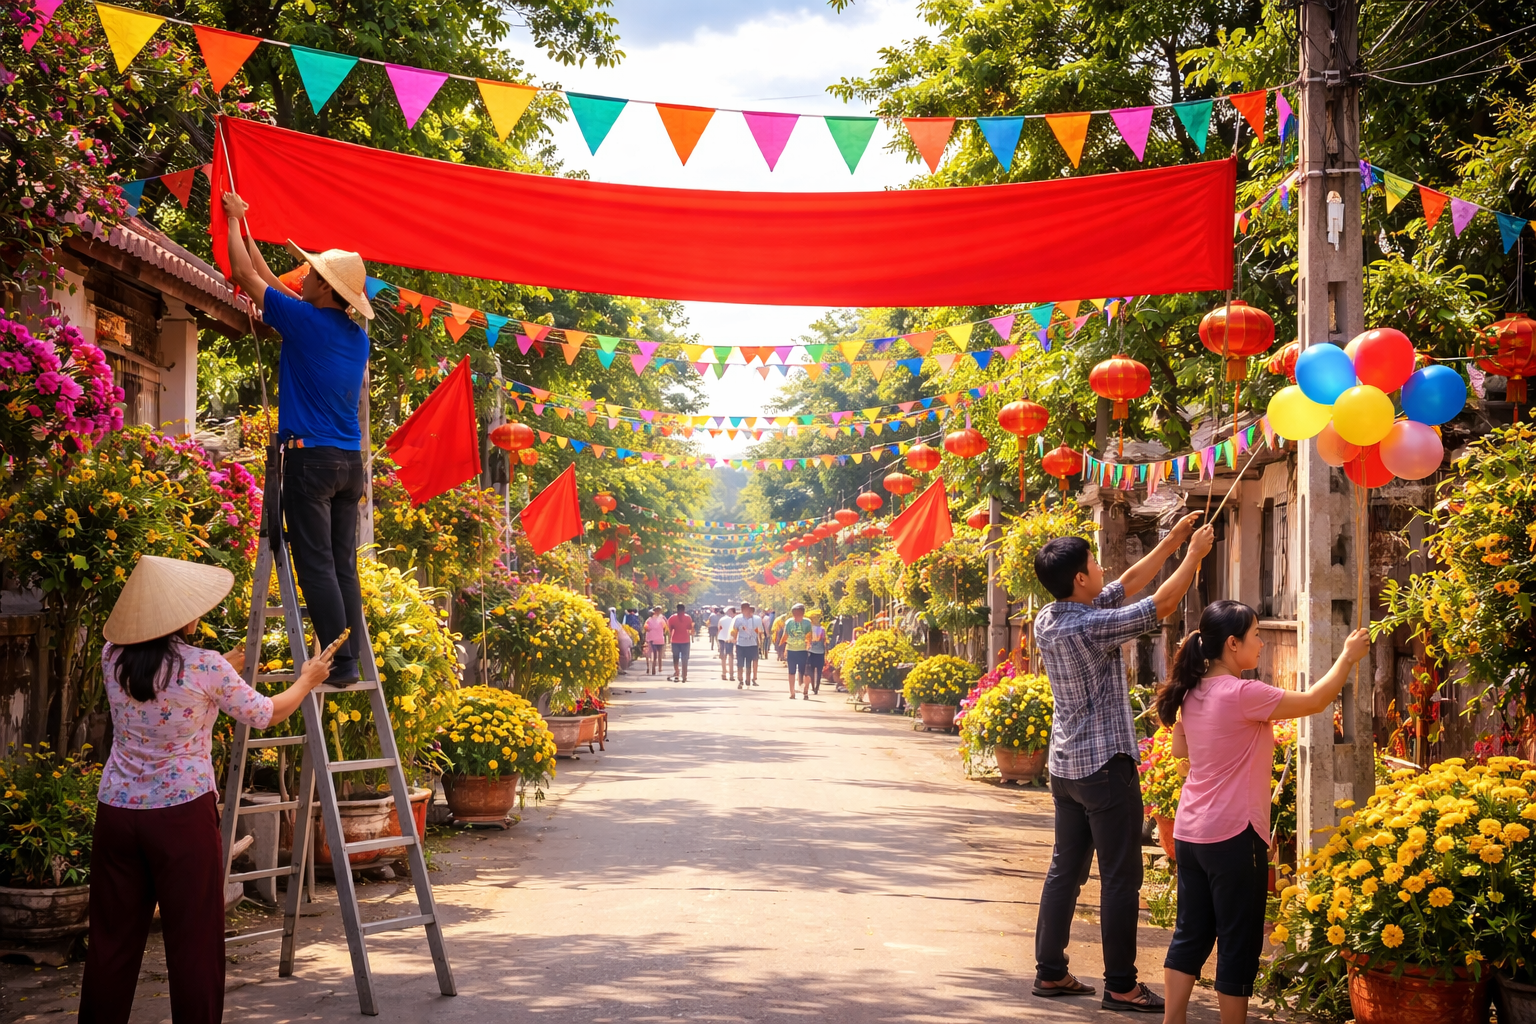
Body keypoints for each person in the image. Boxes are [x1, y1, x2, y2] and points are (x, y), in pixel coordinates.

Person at [80, 555, 334, 1024]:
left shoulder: (111, 656)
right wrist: (306, 681)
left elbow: (160, 680)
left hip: (117, 811)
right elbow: (266, 712)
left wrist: (225, 670)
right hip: (181, 815)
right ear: (179, 616)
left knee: (112, 941)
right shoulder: (205, 666)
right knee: (194, 940)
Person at [1029, 513, 1214, 1013]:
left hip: (1067, 766)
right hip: (1105, 769)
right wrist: (1194, 555)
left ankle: (1050, 972)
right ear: (1078, 579)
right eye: (1093, 561)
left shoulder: (1053, 617)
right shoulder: (1089, 626)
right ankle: (1122, 985)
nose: (1100, 567)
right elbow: (1162, 604)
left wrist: (1173, 542)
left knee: (1064, 869)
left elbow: (1127, 584)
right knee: (1120, 876)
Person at [1159, 603, 1369, 1024]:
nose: (1262, 641)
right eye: (1255, 634)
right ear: (1232, 644)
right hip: (1233, 836)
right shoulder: (1243, 693)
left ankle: (1172, 1021)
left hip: (1190, 833)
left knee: (1191, 934)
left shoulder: (1192, 690)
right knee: (1238, 943)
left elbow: (1182, 753)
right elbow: (1315, 700)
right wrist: (1347, 656)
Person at [221, 192, 372, 686]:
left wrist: (228, 222)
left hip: (311, 464)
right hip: (349, 464)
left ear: (325, 289)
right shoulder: (354, 336)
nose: (300, 277)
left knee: (316, 566)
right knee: (343, 565)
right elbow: (266, 280)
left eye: (309, 274)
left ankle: (341, 664)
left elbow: (246, 277)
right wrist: (245, 226)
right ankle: (353, 656)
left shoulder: (304, 322)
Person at [782, 604, 814, 699]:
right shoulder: (791, 623)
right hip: (795, 650)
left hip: (800, 650)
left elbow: (809, 637)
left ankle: (802, 691)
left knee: (802, 672)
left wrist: (808, 646)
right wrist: (785, 648)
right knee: (795, 672)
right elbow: (785, 635)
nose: (796, 615)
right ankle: (794, 691)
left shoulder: (805, 623)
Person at [733, 602, 764, 689]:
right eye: (744, 609)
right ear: (742, 610)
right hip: (741, 644)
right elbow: (735, 630)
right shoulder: (738, 619)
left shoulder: (756, 619)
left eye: (747, 609)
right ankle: (740, 680)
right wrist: (734, 640)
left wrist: (760, 641)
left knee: (749, 663)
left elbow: (760, 631)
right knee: (740, 663)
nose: (746, 611)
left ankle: (748, 679)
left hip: (752, 644)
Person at [668, 602, 694, 683]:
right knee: (685, 658)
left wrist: (669, 640)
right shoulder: (688, 617)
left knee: (675, 658)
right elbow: (690, 628)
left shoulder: (672, 618)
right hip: (685, 641)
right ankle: (684, 676)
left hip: (675, 640)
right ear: (684, 609)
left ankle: (677, 673)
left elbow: (669, 629)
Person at [806, 610, 827, 696]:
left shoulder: (809, 629)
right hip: (820, 652)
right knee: (819, 671)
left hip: (811, 652)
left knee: (811, 670)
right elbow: (825, 641)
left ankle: (813, 686)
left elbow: (807, 640)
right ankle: (817, 687)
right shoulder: (822, 629)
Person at [644, 607, 667, 675]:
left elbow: (646, 628)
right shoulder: (662, 619)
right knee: (659, 653)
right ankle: (659, 667)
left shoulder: (649, 620)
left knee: (653, 654)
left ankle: (653, 667)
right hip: (660, 638)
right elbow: (664, 627)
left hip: (652, 639)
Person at [609, 607, 632, 673]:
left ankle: (620, 668)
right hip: (623, 639)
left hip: (619, 640)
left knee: (618, 655)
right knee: (620, 655)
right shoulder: (616, 622)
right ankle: (620, 668)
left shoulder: (612, 622)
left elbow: (614, 631)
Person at [719, 606, 737, 682]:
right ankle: (731, 675)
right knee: (730, 656)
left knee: (723, 656)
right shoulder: (733, 620)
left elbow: (719, 629)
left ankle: (723, 673)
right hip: (729, 639)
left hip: (721, 639)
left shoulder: (721, 619)